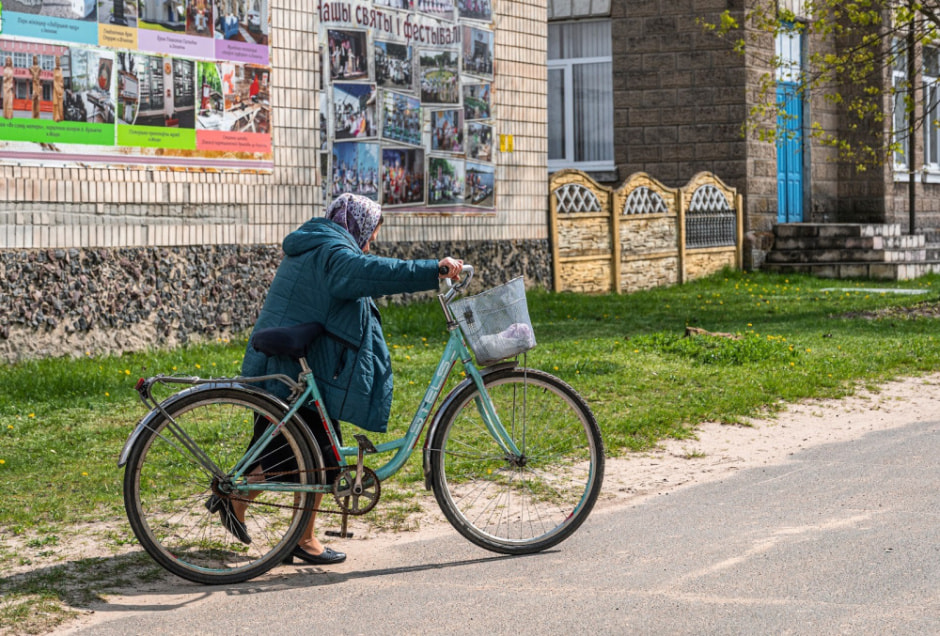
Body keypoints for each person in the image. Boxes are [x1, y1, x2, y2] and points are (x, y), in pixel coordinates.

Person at [213, 193, 462, 565]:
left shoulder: (318, 242)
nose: (372, 239)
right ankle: (268, 518)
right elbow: (373, 271)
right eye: (372, 231)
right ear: (357, 224)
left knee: (296, 451)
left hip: (286, 363)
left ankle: (278, 523)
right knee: (313, 459)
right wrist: (433, 270)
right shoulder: (333, 253)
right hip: (292, 369)